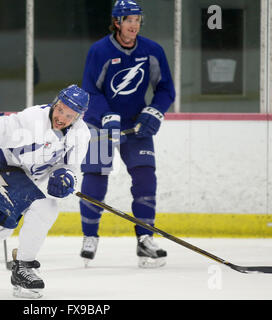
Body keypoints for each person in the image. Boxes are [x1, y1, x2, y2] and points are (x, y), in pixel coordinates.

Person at [0, 84, 90, 299]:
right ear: (55, 103)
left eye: (70, 115)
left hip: (20, 178)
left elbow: (70, 167)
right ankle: (23, 267)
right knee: (45, 207)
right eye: (60, 110)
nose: (62, 118)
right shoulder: (30, 120)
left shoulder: (81, 134)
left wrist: (65, 177)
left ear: (78, 117)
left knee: (0, 227)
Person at [79, 0, 175, 268]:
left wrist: (155, 111)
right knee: (96, 176)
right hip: (100, 125)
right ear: (117, 22)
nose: (134, 24)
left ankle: (145, 239)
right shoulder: (99, 51)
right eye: (128, 20)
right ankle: (89, 237)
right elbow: (90, 89)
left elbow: (166, 88)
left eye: (137, 19)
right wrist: (105, 115)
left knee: (145, 178)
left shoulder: (152, 50)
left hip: (136, 125)